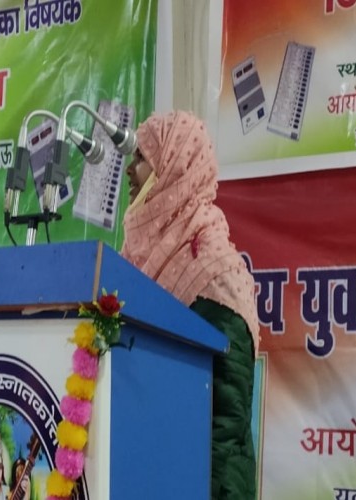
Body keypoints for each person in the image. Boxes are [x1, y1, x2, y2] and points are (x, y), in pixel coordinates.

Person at [121, 110, 260, 500]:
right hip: (151, 474)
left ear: (174, 167)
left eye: (142, 157)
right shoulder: (143, 260)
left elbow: (225, 423)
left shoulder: (213, 271)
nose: (129, 170)